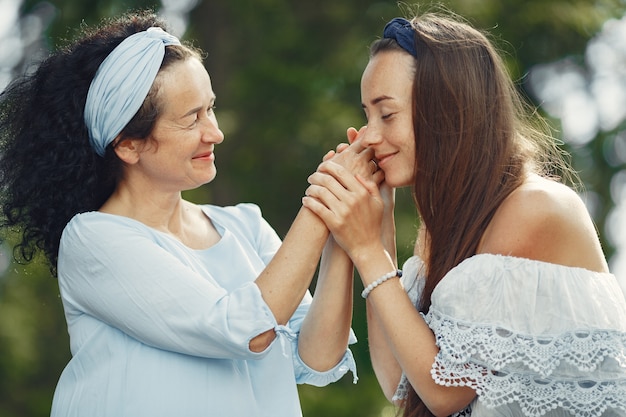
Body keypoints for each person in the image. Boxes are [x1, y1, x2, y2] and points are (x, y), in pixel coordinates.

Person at [0, 11, 381, 417]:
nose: (214, 132)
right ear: (128, 145)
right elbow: (243, 330)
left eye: (210, 109)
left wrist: (341, 214)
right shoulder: (94, 240)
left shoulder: (245, 225)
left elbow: (317, 358)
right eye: (190, 119)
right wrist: (322, 200)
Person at [303, 12, 626, 417]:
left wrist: (367, 250)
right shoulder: (444, 231)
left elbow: (444, 392)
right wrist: (379, 222)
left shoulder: (535, 208)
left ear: (448, 109)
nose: (367, 135)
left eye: (386, 114)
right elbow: (402, 386)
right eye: (367, 115)